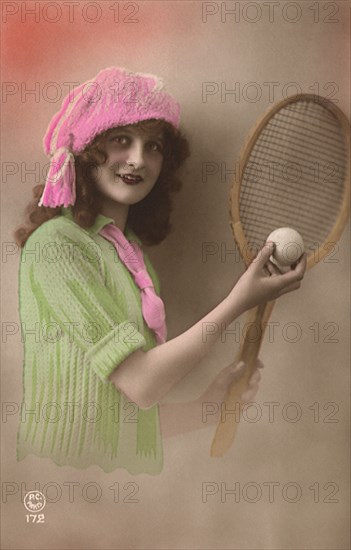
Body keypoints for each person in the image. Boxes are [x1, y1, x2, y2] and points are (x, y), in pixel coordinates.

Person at [14, 67, 306, 475]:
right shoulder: (57, 246)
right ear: (85, 151)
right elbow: (141, 384)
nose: (138, 159)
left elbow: (119, 417)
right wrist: (239, 302)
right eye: (120, 140)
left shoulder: (129, 255)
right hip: (58, 489)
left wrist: (203, 409)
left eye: (152, 146)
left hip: (113, 497)